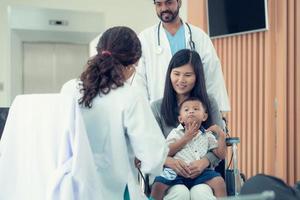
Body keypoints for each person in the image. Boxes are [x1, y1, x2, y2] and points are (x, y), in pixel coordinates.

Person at [60, 26, 168, 200]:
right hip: (115, 192)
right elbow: (153, 157)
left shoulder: (69, 88)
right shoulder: (130, 95)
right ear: (131, 65)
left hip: (73, 190)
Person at [151, 49, 227, 200]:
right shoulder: (157, 108)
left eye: (188, 75)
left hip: (203, 171)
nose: (181, 80)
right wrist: (169, 161)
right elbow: (151, 148)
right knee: (180, 193)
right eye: (176, 74)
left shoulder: (209, 103)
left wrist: (204, 162)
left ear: (197, 77)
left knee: (201, 193)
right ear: (169, 75)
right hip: (170, 173)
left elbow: (217, 143)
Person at [133, 0, 230, 114]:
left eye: (169, 2)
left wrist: (218, 113)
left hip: (194, 111)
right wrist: (144, 115)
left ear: (179, 2)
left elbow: (213, 77)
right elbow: (139, 82)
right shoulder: (145, 38)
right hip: (160, 113)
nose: (164, 8)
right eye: (159, 4)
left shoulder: (199, 36)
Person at [151, 97, 227, 200]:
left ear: (204, 116)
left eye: (196, 109)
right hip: (176, 171)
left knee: (219, 182)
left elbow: (221, 155)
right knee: (158, 184)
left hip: (201, 172)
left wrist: (221, 135)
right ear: (180, 119)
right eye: (186, 110)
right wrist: (186, 138)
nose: (191, 111)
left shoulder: (207, 135)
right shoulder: (176, 133)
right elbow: (166, 152)